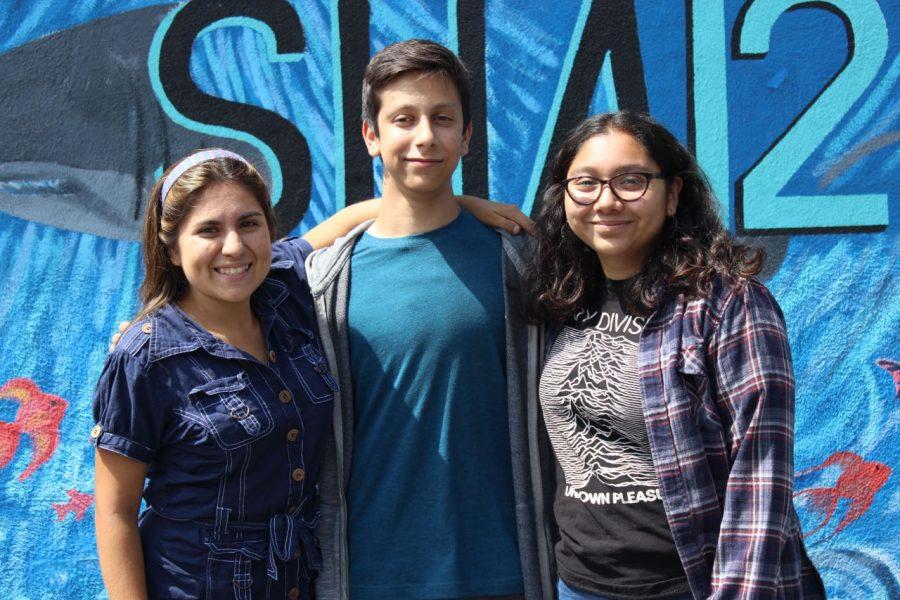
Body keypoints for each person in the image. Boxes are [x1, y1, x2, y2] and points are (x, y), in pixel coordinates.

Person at [91, 148, 531, 600]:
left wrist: (463, 208)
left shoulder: (283, 293)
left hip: (297, 583)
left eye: (248, 223)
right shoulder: (146, 355)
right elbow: (114, 513)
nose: (234, 247)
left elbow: (353, 220)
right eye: (208, 230)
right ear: (172, 248)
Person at [525, 111, 826, 599]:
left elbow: (760, 479)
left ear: (674, 195)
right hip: (580, 586)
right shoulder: (561, 300)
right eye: (586, 183)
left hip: (691, 586)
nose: (606, 200)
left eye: (631, 181)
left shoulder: (729, 304)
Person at [306, 40, 554, 599]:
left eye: (443, 119)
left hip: (505, 577)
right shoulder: (323, 282)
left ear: (466, 136)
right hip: (365, 578)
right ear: (370, 136)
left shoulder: (520, 262)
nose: (425, 136)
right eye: (403, 119)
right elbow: (220, 294)